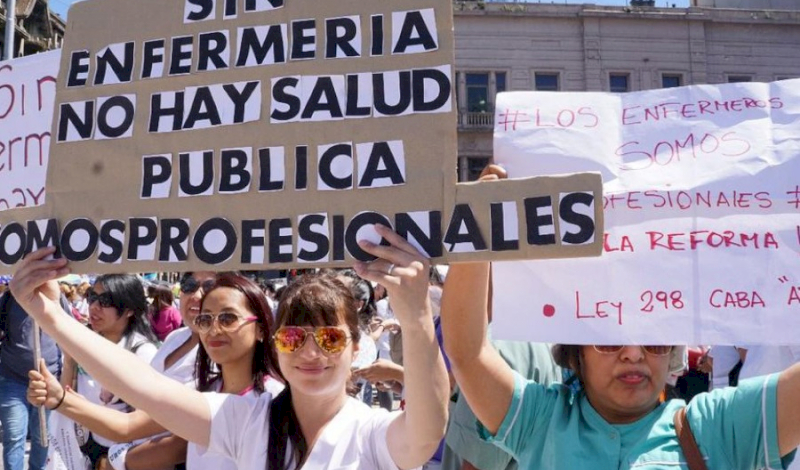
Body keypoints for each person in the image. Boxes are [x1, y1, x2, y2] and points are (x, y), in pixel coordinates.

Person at [439, 164, 800, 470]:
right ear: (576, 351)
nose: (633, 353)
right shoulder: (541, 420)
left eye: (655, 341)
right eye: (610, 338)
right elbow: (468, 352)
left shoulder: (718, 426)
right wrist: (479, 222)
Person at [16, 224, 449, 470]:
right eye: (295, 337)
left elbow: (427, 430)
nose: (311, 353)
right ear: (277, 343)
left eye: (331, 338)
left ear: (356, 348)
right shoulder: (247, 418)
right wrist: (50, 316)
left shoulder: (372, 431)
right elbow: (145, 387)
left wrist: (416, 320)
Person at [29, 273, 284, 470]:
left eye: (228, 319)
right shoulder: (204, 388)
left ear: (262, 328)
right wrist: (60, 399)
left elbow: (140, 394)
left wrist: (119, 461)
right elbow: (130, 421)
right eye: (206, 320)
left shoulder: (274, 400)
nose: (214, 329)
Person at [59, 274, 159, 469]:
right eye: (92, 297)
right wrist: (70, 363)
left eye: (105, 301)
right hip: (83, 449)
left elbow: (148, 422)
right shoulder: (83, 341)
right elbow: (65, 397)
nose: (94, 306)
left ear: (129, 310)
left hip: (124, 455)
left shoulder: (143, 352)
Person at [0, 289, 71, 470]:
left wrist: (68, 378)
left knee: (42, 436)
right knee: (14, 436)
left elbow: (69, 333)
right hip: (12, 379)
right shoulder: (9, 298)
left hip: (49, 379)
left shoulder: (56, 297)